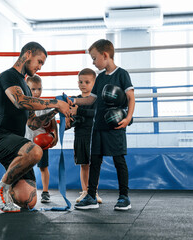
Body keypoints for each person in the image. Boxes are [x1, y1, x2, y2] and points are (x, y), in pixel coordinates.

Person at [0, 42, 70, 212]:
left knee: (27, 200)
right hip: (0, 138)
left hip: (17, 143)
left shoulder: (26, 88)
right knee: (36, 151)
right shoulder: (7, 76)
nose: (40, 67)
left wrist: (55, 111)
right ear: (28, 54)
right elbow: (19, 101)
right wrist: (55, 102)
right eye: (39, 62)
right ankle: (0, 191)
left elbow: (32, 123)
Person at [72, 39, 135, 210]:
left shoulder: (122, 74)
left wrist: (128, 118)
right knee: (95, 161)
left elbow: (131, 97)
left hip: (115, 126)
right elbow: (91, 99)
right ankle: (91, 195)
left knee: (119, 161)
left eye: (94, 58)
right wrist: (73, 100)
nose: (93, 62)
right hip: (98, 126)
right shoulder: (99, 78)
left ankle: (124, 197)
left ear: (105, 55)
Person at [65, 68, 102, 204]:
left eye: (87, 82)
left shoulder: (95, 100)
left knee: (94, 165)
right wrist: (69, 121)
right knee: (83, 165)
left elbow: (95, 114)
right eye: (81, 81)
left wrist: (79, 110)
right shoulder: (75, 100)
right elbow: (74, 119)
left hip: (93, 136)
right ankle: (85, 191)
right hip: (80, 135)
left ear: (94, 83)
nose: (83, 84)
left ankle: (94, 192)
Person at [25, 74, 58, 203]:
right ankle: (28, 191)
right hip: (27, 141)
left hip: (41, 142)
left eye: (39, 89)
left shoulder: (45, 105)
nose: (36, 92)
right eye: (33, 89)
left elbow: (53, 121)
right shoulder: (24, 105)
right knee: (26, 167)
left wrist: (55, 136)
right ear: (27, 89)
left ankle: (45, 191)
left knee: (43, 167)